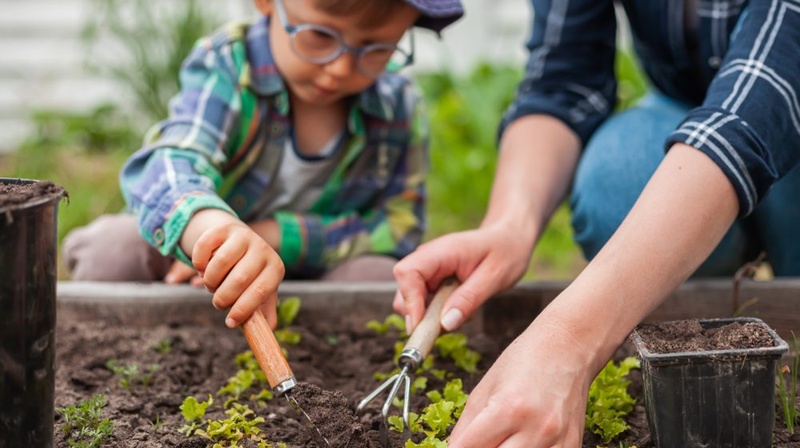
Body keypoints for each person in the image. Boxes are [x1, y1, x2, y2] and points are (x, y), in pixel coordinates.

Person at [393, 0, 800, 446]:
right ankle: (713, 270)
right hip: (686, 103)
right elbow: (564, 79)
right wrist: (510, 224)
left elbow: (763, 96)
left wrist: (569, 341)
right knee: (615, 186)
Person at [63, 0, 463, 328]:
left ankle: (304, 344)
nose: (340, 67)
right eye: (320, 36)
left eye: (376, 49)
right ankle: (161, 334)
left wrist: (274, 236)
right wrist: (214, 236)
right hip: (193, 257)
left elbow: (400, 227)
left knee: (380, 280)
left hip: (314, 271)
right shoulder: (229, 65)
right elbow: (169, 161)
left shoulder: (399, 103)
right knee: (110, 251)